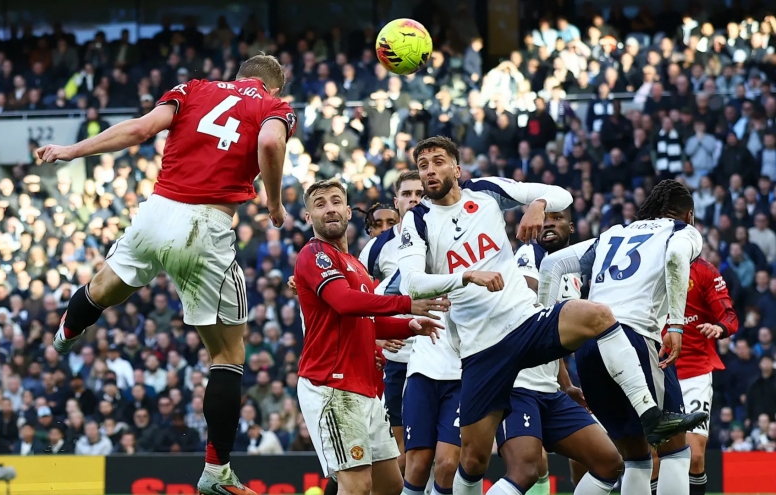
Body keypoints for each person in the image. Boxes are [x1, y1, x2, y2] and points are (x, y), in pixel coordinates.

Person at [36, 54, 296, 495]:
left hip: (156, 211)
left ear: (237, 76)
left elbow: (140, 129)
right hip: (206, 225)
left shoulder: (194, 88)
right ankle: (216, 471)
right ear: (273, 87)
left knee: (103, 288)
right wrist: (274, 203)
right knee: (227, 355)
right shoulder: (273, 106)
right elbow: (271, 143)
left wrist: (71, 151)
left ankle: (67, 331)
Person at [396, 136, 704, 495]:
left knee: (598, 315)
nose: (430, 171)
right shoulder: (418, 221)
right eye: (423, 165)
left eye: (438, 162)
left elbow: (561, 195)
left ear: (456, 168)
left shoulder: (484, 191)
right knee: (474, 460)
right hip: (482, 347)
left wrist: (539, 204)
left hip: (525, 323)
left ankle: (649, 414)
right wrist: (467, 276)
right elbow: (412, 284)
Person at [539, 179, 710, 495]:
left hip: (588, 349)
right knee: (674, 450)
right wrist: (675, 326)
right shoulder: (681, 231)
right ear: (689, 215)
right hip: (634, 340)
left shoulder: (613, 234)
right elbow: (675, 257)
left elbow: (552, 263)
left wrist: (545, 331)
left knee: (636, 458)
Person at [294, 179, 449, 495]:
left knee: (389, 486)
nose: (330, 209)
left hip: (363, 389)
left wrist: (408, 325)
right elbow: (344, 302)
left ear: (349, 211)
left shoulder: (355, 264)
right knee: (357, 486)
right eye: (320, 204)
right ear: (308, 217)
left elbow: (365, 322)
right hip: (332, 386)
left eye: (336, 201)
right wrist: (405, 304)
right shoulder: (314, 254)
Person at [506, 208, 623, 495]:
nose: (548, 224)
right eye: (544, 219)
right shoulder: (529, 255)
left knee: (609, 462)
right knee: (525, 470)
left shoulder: (573, 275)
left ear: (571, 227)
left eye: (557, 218)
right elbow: (530, 300)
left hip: (549, 388)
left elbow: (553, 336)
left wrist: (566, 384)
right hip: (516, 384)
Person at [357, 171, 425, 475]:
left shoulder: (447, 233)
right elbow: (358, 299)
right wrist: (375, 338)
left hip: (442, 352)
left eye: (419, 193)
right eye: (407, 194)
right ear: (396, 201)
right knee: (400, 452)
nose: (414, 199)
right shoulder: (376, 248)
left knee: (439, 448)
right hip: (398, 357)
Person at [654, 257, 738, 495]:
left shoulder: (703, 270)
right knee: (654, 457)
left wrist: (719, 327)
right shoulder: (650, 262)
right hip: (656, 371)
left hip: (695, 373)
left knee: (695, 455)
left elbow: (730, 316)